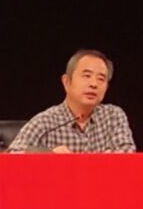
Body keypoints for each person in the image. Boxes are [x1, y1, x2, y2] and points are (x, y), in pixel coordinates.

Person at [8, 49, 136, 153]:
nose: (94, 84)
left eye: (101, 79)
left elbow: (127, 152)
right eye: (87, 76)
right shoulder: (46, 121)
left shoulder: (113, 116)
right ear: (67, 82)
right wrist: (48, 154)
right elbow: (11, 155)